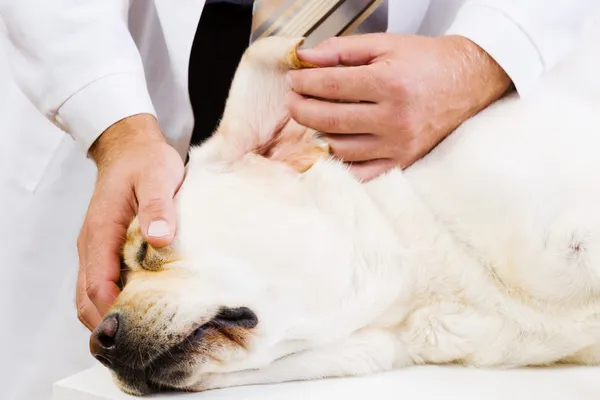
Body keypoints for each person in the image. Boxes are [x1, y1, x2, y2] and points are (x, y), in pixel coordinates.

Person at [0, 0, 596, 399]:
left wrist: (484, 57)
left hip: (428, 93)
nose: (109, 325)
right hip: (150, 93)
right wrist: (116, 126)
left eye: (153, 255)